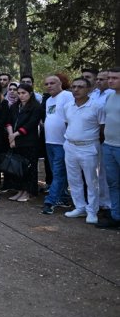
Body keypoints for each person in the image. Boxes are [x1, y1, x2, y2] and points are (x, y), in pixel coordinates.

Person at [63, 77, 106, 225]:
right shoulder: (68, 106)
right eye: (73, 87)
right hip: (70, 146)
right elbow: (67, 124)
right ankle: (79, 207)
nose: (76, 89)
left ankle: (92, 211)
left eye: (80, 87)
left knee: (91, 180)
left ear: (88, 89)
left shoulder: (97, 106)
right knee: (73, 179)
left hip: (89, 147)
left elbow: (102, 128)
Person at [40, 74, 75, 215]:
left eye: (52, 83)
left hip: (62, 142)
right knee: (56, 172)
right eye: (47, 84)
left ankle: (50, 201)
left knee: (59, 172)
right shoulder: (49, 100)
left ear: (60, 83)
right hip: (50, 141)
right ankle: (64, 198)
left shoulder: (67, 96)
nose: (49, 86)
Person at [5, 83, 41, 202]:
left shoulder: (35, 107)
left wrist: (14, 135)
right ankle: (20, 190)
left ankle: (28, 191)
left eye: (23, 93)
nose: (21, 95)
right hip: (15, 141)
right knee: (18, 168)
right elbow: (8, 121)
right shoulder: (15, 106)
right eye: (19, 93)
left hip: (29, 142)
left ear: (30, 93)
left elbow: (31, 124)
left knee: (29, 168)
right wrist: (11, 136)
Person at [98, 67, 120, 229]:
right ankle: (116, 216)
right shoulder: (110, 96)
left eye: (115, 78)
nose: (111, 80)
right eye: (110, 77)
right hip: (109, 145)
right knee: (113, 183)